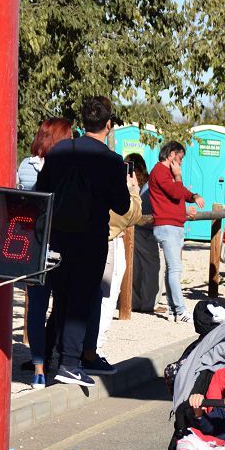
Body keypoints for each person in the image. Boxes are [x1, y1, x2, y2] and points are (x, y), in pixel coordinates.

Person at [35, 97, 130, 386]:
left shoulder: (60, 151)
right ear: (108, 125)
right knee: (80, 299)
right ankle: (70, 363)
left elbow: (43, 190)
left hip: (58, 234)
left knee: (61, 296)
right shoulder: (112, 161)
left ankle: (51, 357)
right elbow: (122, 205)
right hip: (90, 237)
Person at [22, 118, 75, 388]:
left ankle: (51, 354)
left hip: (63, 245)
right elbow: (34, 206)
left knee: (62, 305)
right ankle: (39, 366)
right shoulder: (30, 167)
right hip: (38, 245)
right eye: (69, 136)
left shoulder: (71, 167)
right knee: (37, 306)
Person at [86, 153, 145, 364]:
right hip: (109, 242)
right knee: (105, 298)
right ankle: (94, 347)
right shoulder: (113, 192)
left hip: (91, 241)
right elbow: (132, 214)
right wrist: (133, 190)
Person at [148, 141, 205, 322]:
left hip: (173, 226)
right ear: (171, 154)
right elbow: (175, 192)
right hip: (167, 227)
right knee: (175, 270)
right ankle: (180, 310)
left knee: (171, 270)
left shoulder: (167, 172)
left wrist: (193, 196)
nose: (181, 162)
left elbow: (180, 193)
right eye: (180, 158)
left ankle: (173, 310)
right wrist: (178, 176)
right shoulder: (160, 171)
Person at [131, 156, 162, 313]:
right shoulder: (151, 185)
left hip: (135, 227)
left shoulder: (142, 185)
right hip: (145, 229)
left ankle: (135, 302)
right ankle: (149, 304)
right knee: (152, 267)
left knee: (136, 268)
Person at [16, 118, 72, 191]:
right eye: (70, 137)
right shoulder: (68, 168)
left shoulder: (25, 164)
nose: (73, 141)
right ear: (60, 139)